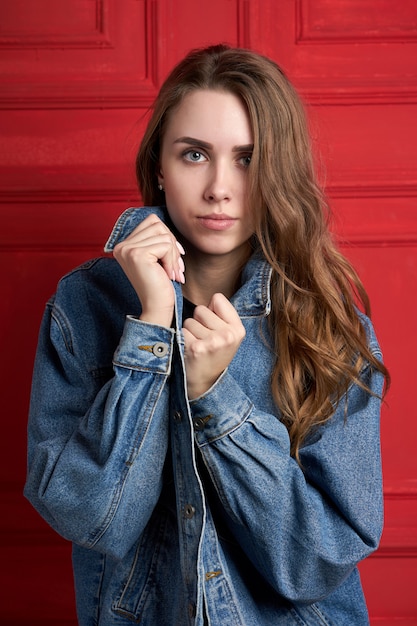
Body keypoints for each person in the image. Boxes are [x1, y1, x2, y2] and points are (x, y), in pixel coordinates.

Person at [24, 44, 389, 625]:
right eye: (195, 154)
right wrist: (149, 329)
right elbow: (91, 516)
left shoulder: (328, 326)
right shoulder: (84, 306)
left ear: (279, 171)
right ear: (160, 168)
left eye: (247, 159)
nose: (220, 187)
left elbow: (318, 560)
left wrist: (214, 396)